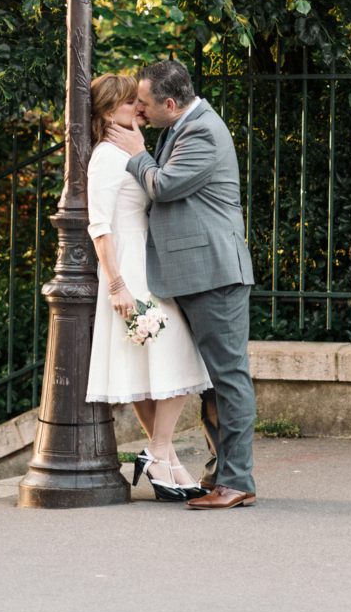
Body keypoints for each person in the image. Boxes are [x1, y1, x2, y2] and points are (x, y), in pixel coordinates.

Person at [106, 58, 257, 510]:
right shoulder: (179, 126)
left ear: (171, 103)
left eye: (147, 104)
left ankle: (237, 480)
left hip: (213, 272)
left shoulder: (203, 131)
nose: (141, 112)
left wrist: (136, 155)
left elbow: (165, 186)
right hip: (191, 273)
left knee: (228, 377)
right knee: (212, 381)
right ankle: (222, 474)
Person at [85, 72, 210, 500]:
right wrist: (117, 285)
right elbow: (99, 226)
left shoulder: (131, 149)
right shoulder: (104, 156)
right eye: (126, 104)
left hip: (148, 266)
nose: (136, 108)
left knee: (155, 364)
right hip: (129, 273)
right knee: (168, 353)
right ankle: (160, 455)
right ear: (105, 113)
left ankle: (165, 459)